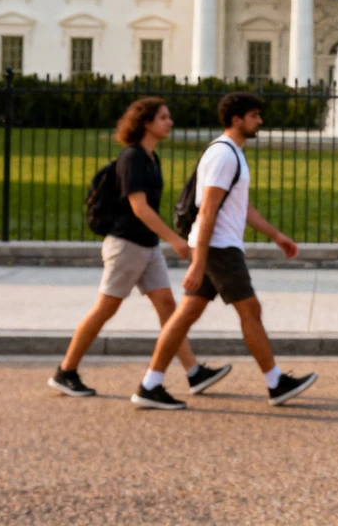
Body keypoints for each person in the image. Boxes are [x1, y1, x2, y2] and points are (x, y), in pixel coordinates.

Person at [131, 91, 318, 409]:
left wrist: (277, 236)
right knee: (251, 311)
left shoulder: (233, 153)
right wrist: (199, 263)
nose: (259, 121)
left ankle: (150, 384)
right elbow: (208, 211)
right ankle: (275, 382)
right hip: (218, 249)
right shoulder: (224, 155)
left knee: (184, 317)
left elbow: (241, 207)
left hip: (216, 248)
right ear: (237, 119)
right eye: (254, 115)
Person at [48, 97, 232, 399]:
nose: (169, 122)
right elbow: (139, 208)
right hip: (127, 245)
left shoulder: (150, 158)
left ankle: (194, 372)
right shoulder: (132, 158)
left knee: (168, 308)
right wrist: (174, 239)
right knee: (105, 308)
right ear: (146, 123)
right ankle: (65, 371)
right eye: (163, 117)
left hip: (146, 246)